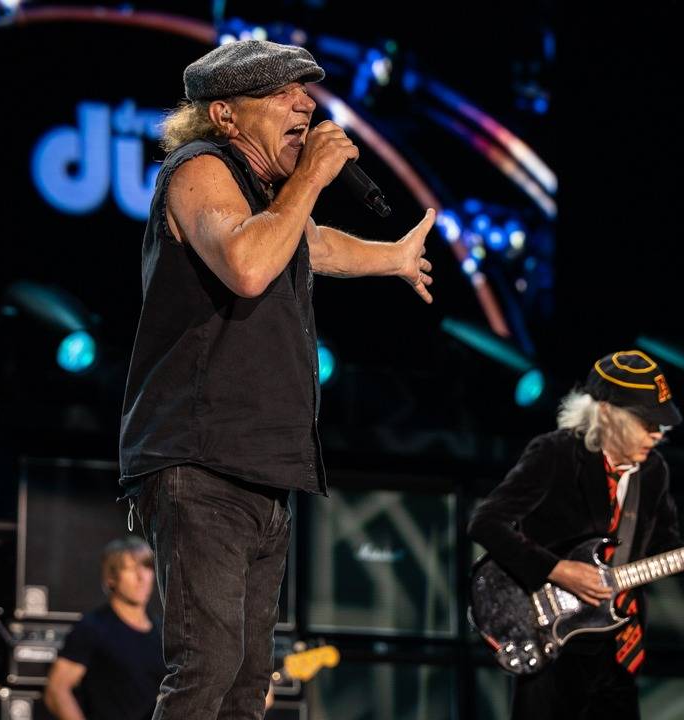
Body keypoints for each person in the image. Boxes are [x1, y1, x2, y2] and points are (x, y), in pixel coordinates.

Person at [117, 40, 435, 719]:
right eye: (283, 94)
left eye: (306, 93)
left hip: (262, 468)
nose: (306, 106)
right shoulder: (198, 168)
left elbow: (313, 244)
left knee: (247, 680)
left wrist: (393, 257)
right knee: (207, 665)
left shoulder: (269, 199)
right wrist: (312, 176)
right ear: (226, 115)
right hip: (201, 458)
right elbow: (248, 265)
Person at [467, 350, 684, 719]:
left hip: (617, 647)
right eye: (647, 422)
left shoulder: (653, 472)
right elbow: (486, 522)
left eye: (660, 424)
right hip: (553, 643)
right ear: (607, 414)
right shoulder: (555, 454)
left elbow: (663, 550)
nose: (657, 434)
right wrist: (558, 570)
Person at [44, 537, 165, 720]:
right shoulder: (93, 627)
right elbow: (57, 690)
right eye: (130, 568)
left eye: (147, 567)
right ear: (111, 578)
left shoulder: (161, 631)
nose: (141, 577)